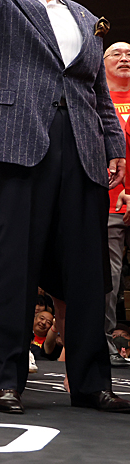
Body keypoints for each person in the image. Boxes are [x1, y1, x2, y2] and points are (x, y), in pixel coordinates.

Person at [0, 0, 130, 414]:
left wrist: (114, 142)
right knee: (13, 265)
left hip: (82, 145)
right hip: (18, 143)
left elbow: (96, 88)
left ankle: (92, 383)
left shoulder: (84, 15)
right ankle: (7, 381)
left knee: (87, 269)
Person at [104, 42, 130, 367]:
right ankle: (105, 340)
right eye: (117, 54)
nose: (125, 58)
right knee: (108, 277)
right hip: (107, 202)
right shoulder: (93, 100)